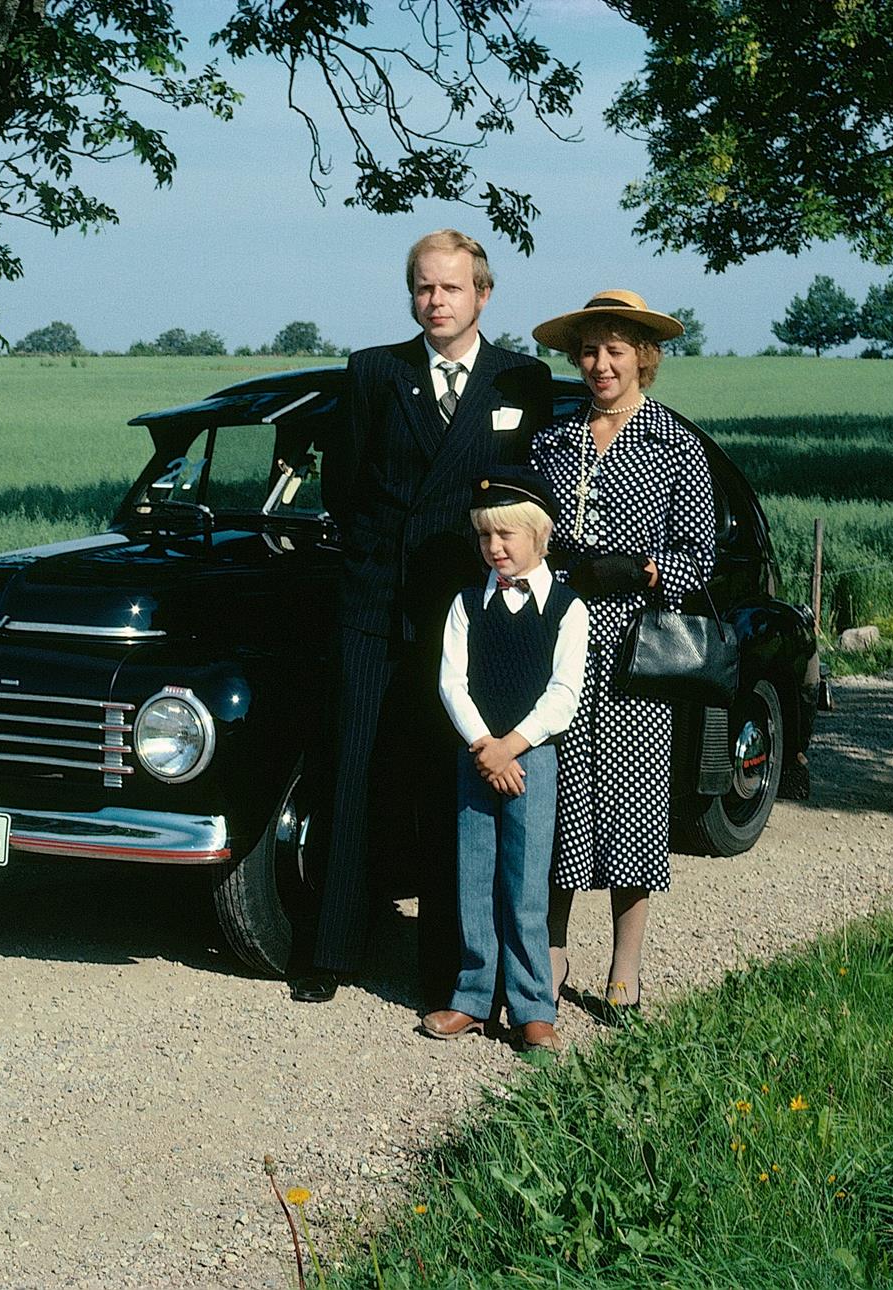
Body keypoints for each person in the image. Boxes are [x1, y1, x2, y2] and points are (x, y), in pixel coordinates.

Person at [291, 230, 554, 1008]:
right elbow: (346, 483)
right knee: (355, 772)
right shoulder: (376, 371)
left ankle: (450, 972)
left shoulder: (521, 379)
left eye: (449, 288)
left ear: (483, 294)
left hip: (467, 612)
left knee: (454, 791)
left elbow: (524, 490)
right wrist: (380, 559)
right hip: (376, 604)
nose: (434, 302)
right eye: (422, 288)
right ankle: (329, 950)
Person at [527, 290, 716, 1021]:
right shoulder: (554, 440)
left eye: (615, 350)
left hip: (637, 655)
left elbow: (698, 559)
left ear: (644, 355)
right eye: (589, 351)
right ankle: (549, 954)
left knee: (633, 809)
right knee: (562, 802)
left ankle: (625, 968)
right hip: (560, 646)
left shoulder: (676, 444)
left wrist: (639, 569)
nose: (600, 365)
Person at [420, 469, 588, 1053]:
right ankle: (471, 996)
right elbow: (452, 684)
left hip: (532, 758)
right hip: (477, 756)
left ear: (540, 536)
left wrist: (509, 747)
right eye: (486, 537)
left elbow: (563, 695)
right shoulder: (467, 604)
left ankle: (532, 1007)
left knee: (524, 882)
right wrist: (484, 749)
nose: (495, 548)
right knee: (475, 873)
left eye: (508, 536)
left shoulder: (567, 609)